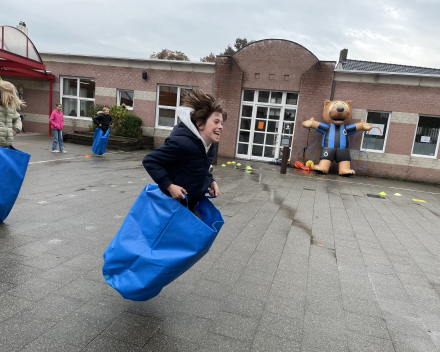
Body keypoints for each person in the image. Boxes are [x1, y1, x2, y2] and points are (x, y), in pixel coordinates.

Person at [142, 89, 226, 217]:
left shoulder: (210, 146)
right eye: (216, 122)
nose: (221, 126)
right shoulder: (181, 143)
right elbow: (150, 161)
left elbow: (201, 168)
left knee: (201, 235)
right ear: (200, 123)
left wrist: (210, 181)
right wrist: (170, 186)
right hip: (170, 207)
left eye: (221, 123)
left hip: (190, 205)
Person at [0, 81, 24, 148]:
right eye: (10, 93)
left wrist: (16, 129)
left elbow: (17, 119)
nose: (12, 96)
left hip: (6, 145)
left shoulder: (10, 108)